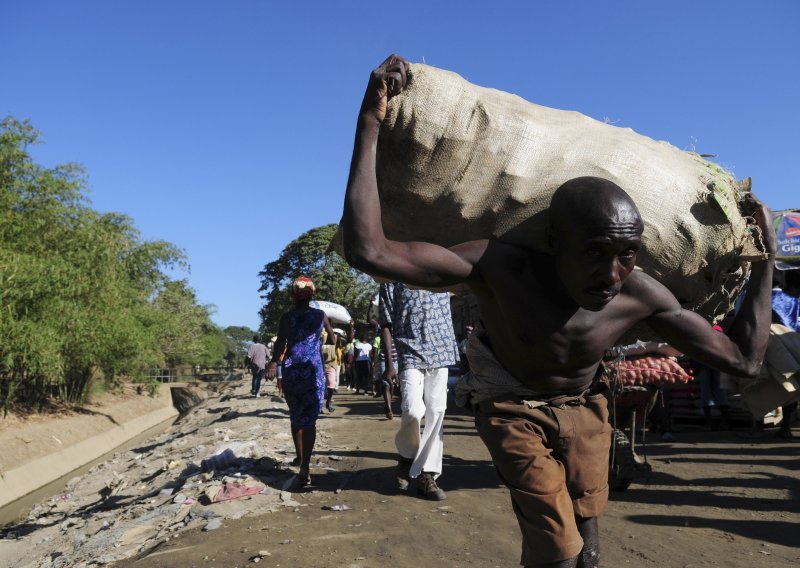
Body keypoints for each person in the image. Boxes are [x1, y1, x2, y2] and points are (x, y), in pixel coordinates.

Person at [341, 55, 777, 567]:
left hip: (587, 407)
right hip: (511, 407)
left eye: (627, 253)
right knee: (559, 552)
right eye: (593, 253)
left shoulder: (640, 295)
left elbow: (745, 360)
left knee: (588, 546)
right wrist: (370, 123)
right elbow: (369, 251)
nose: (612, 275)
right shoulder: (500, 267)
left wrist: (764, 257)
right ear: (553, 243)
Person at [379, 282, 459, 501]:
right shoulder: (390, 280)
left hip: (441, 351)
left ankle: (427, 475)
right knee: (413, 409)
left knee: (436, 411)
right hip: (408, 351)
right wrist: (389, 363)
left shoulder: (439, 273)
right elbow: (385, 323)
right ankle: (406, 455)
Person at [266, 276, 334, 486]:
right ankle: (305, 465)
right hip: (313, 371)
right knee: (310, 420)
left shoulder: (287, 317)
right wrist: (319, 339)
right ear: (313, 294)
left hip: (292, 370)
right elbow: (332, 339)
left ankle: (299, 456)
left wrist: (274, 363)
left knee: (296, 416)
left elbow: (281, 344)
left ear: (291, 295)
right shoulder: (320, 316)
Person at [772, 270, 800, 437]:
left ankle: (785, 427)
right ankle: (785, 427)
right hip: (794, 347)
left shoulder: (775, 299)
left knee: (787, 388)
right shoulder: (792, 299)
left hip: (782, 350)